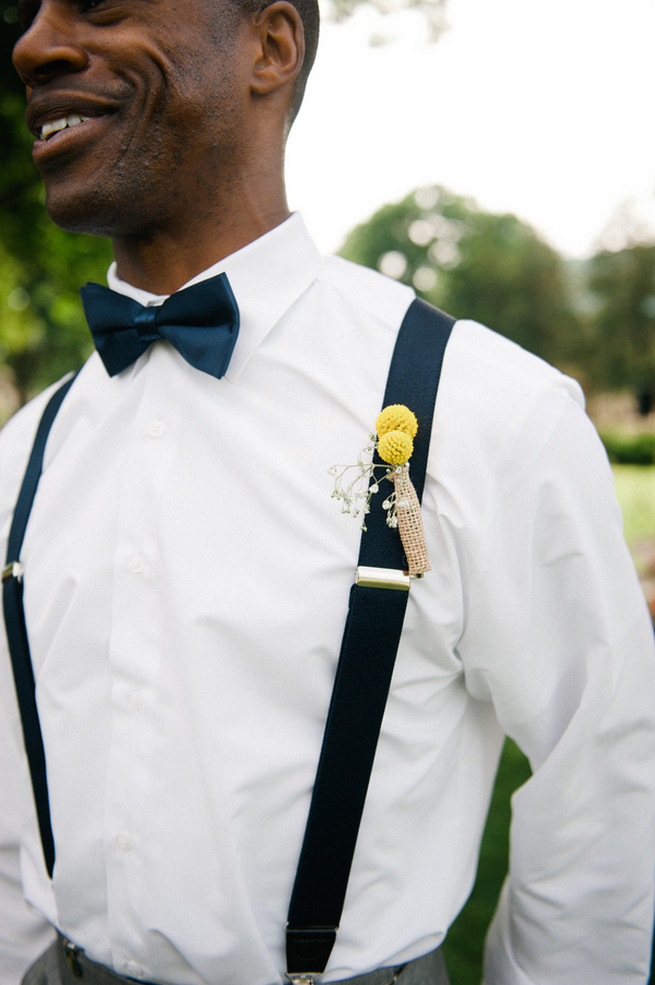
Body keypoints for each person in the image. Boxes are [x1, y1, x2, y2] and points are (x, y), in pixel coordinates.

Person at [2, 0, 655, 983]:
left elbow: (601, 784)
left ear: (269, 45)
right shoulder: (27, 446)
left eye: (97, 0)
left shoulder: (485, 412)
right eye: (30, 7)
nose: (33, 43)